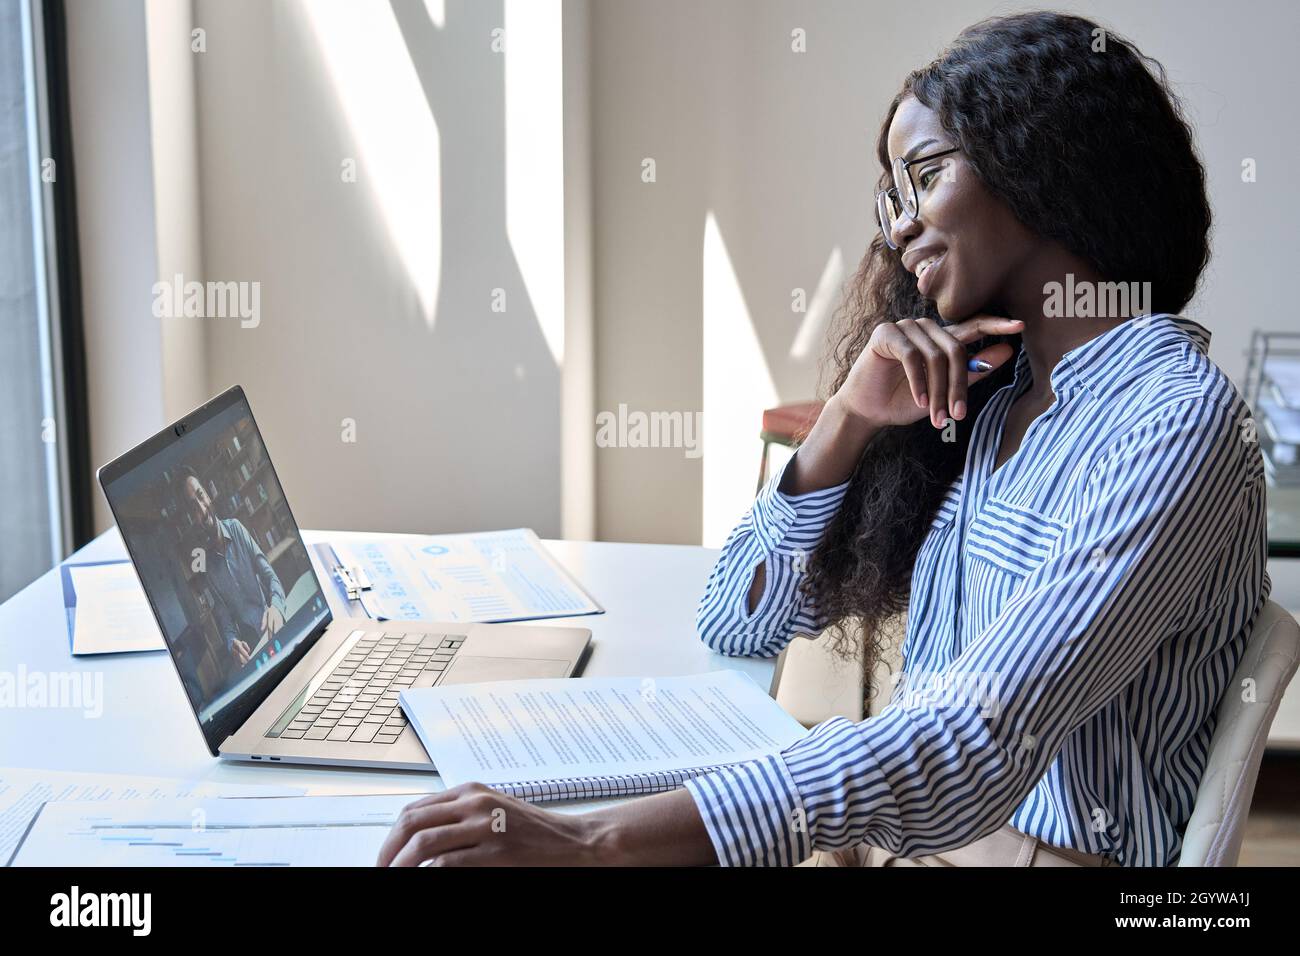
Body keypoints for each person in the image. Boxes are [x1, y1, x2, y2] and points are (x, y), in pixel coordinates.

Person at [377, 11, 1268, 867]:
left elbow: (974, 741)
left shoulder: (1171, 421)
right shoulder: (993, 401)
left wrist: (596, 842)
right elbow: (739, 620)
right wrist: (847, 418)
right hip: (896, 845)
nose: (901, 226)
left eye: (927, 175)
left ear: (1045, 160)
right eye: (892, 197)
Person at [181, 467, 286, 669]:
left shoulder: (236, 528)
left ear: (208, 495)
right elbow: (225, 621)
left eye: (201, 497)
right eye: (194, 508)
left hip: (273, 622)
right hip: (252, 648)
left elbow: (270, 576)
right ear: (192, 518)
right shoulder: (205, 566)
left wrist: (277, 607)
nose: (202, 510)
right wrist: (232, 644)